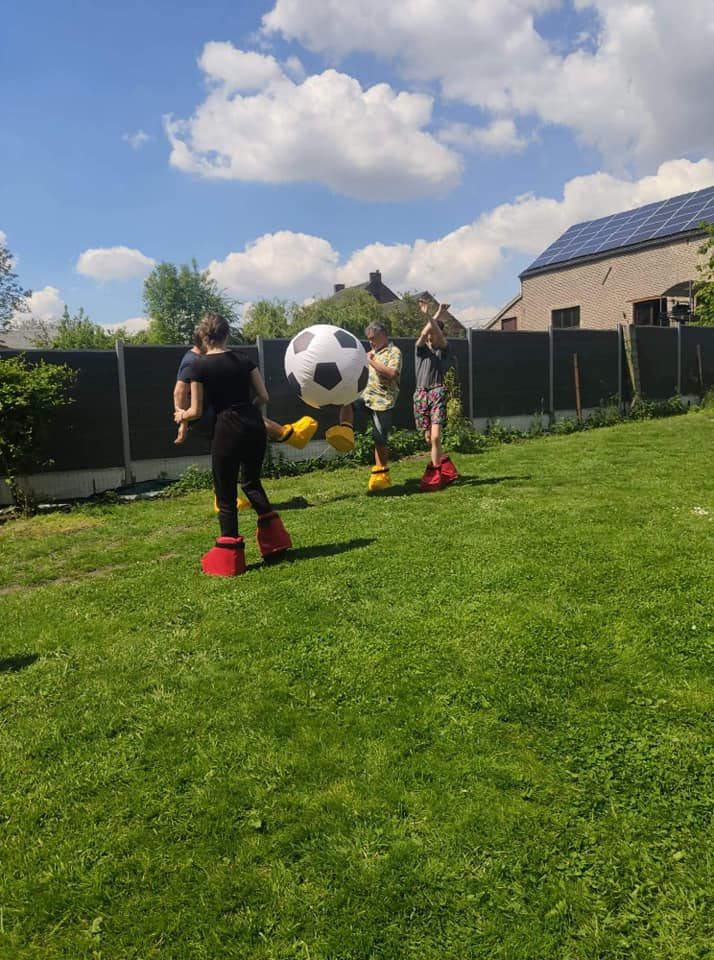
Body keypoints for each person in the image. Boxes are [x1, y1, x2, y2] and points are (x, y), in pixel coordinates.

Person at [174, 311, 291, 576]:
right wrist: (249, 410)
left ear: (204, 337)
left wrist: (182, 416)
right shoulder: (244, 359)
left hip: (226, 429)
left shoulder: (199, 367)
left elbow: (195, 410)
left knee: (225, 491)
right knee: (251, 482)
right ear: (227, 334)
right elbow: (264, 396)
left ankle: (229, 560)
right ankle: (276, 543)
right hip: (253, 425)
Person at [174, 328, 318, 511]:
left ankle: (225, 499)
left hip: (207, 413)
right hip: (201, 415)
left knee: (226, 456)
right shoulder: (193, 362)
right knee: (237, 419)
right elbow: (179, 392)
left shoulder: (201, 360)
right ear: (205, 341)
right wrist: (183, 423)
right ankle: (287, 434)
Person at [333, 321, 402, 491]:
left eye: (373, 338)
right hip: (365, 397)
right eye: (368, 339)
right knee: (347, 400)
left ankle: (381, 474)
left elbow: (392, 373)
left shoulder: (394, 351)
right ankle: (345, 431)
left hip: (382, 401)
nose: (370, 342)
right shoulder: (370, 353)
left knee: (379, 438)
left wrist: (371, 361)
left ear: (383, 335)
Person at [414, 296, 459, 491]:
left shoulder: (444, 351)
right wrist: (435, 313)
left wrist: (435, 316)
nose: (431, 337)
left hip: (437, 392)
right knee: (429, 439)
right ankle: (446, 467)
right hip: (420, 395)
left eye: (434, 334)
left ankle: (435, 477)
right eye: (429, 334)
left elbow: (438, 335)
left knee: (435, 438)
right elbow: (424, 333)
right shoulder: (420, 350)